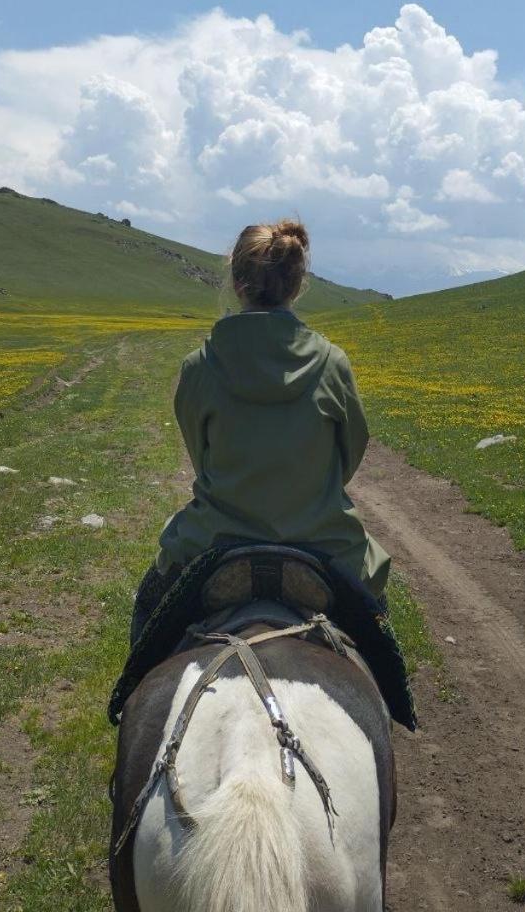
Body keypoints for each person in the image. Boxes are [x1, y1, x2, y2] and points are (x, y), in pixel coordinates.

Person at [129, 217, 391, 645]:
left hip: (214, 539)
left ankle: (126, 703)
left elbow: (201, 457)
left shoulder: (199, 367)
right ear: (297, 283)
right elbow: (351, 452)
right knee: (377, 625)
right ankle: (402, 711)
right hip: (323, 540)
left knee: (149, 608)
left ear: (237, 282)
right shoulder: (332, 364)